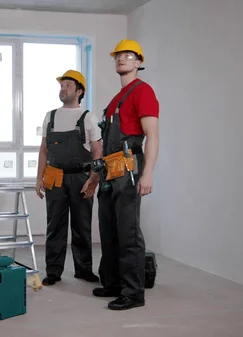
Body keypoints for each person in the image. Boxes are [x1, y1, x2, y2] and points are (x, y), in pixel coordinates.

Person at [92, 39, 160, 310]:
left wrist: (148, 173)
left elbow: (152, 135)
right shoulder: (115, 100)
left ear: (138, 62)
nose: (122, 59)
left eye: (128, 56)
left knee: (128, 231)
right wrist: (94, 177)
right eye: (118, 56)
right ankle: (113, 283)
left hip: (129, 166)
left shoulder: (143, 92)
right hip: (109, 169)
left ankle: (133, 292)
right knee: (108, 229)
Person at [35, 70, 103, 286]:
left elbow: (97, 151)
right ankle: (53, 271)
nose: (62, 89)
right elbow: (44, 149)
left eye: (68, 86)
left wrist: (93, 179)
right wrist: (39, 178)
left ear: (80, 91)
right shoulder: (51, 116)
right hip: (54, 177)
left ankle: (83, 270)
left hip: (80, 177)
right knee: (55, 226)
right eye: (61, 86)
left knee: (82, 226)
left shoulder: (88, 117)